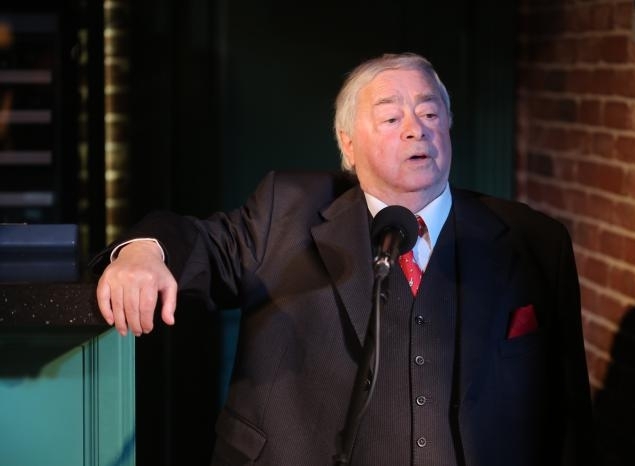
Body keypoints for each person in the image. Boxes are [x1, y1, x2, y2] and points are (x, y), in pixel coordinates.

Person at [93, 52, 592, 466]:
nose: (416, 130)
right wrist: (143, 251)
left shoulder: (532, 239)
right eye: (392, 118)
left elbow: (567, 410)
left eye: (430, 114)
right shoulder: (286, 210)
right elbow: (205, 242)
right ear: (348, 145)